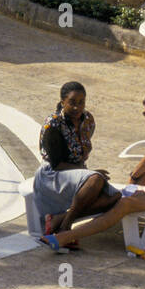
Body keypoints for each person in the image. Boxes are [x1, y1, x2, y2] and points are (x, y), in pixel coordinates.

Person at [40, 87, 145, 252]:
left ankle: (65, 237)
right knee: (124, 191)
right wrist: (133, 179)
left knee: (125, 204)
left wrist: (140, 192)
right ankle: (60, 220)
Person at [32, 82, 120, 243]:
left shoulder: (88, 120)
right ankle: (66, 227)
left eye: (81, 102)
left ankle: (59, 219)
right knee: (96, 179)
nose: (77, 107)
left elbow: (81, 151)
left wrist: (86, 172)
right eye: (72, 102)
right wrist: (88, 173)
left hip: (75, 172)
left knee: (114, 197)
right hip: (52, 174)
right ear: (62, 101)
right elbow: (57, 164)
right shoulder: (53, 124)